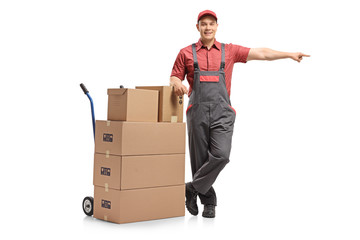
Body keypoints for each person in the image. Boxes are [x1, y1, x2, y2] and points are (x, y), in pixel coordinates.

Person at [170, 10, 310, 218]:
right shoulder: (185, 53)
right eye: (203, 24)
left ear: (217, 26)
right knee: (199, 160)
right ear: (197, 27)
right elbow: (174, 77)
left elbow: (261, 53)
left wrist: (288, 54)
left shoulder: (230, 51)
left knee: (221, 155)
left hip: (222, 113)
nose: (208, 27)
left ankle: (191, 188)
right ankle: (209, 203)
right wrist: (176, 83)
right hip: (197, 111)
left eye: (211, 24)